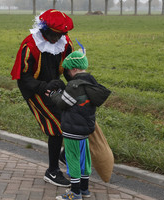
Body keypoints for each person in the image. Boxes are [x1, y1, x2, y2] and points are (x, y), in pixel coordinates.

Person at [10, 9, 74, 187]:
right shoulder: (30, 45)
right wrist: (42, 87)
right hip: (33, 88)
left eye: (61, 34)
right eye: (54, 34)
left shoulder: (64, 42)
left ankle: (63, 156)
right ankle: (52, 171)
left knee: (72, 117)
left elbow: (69, 67)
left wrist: (77, 85)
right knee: (57, 124)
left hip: (54, 85)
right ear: (45, 29)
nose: (57, 38)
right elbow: (24, 77)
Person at [46, 51, 110, 200]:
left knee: (72, 159)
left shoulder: (74, 85)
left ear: (74, 69)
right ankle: (84, 189)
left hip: (72, 129)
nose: (67, 73)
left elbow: (63, 103)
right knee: (84, 159)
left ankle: (75, 193)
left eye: (67, 70)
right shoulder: (91, 82)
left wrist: (53, 95)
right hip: (85, 130)